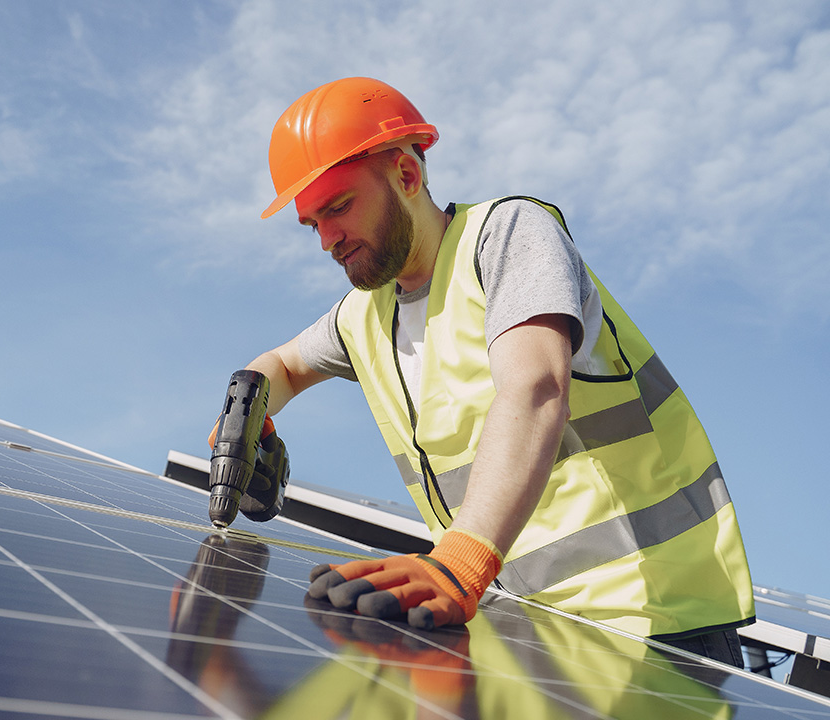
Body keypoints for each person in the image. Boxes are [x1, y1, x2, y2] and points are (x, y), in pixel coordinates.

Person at [225, 76, 754, 666]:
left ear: (406, 175)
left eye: (339, 207)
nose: (326, 240)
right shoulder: (363, 315)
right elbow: (281, 367)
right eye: (311, 224)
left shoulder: (506, 236)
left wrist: (460, 561)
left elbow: (534, 387)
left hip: (651, 622)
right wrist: (249, 417)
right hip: (529, 629)